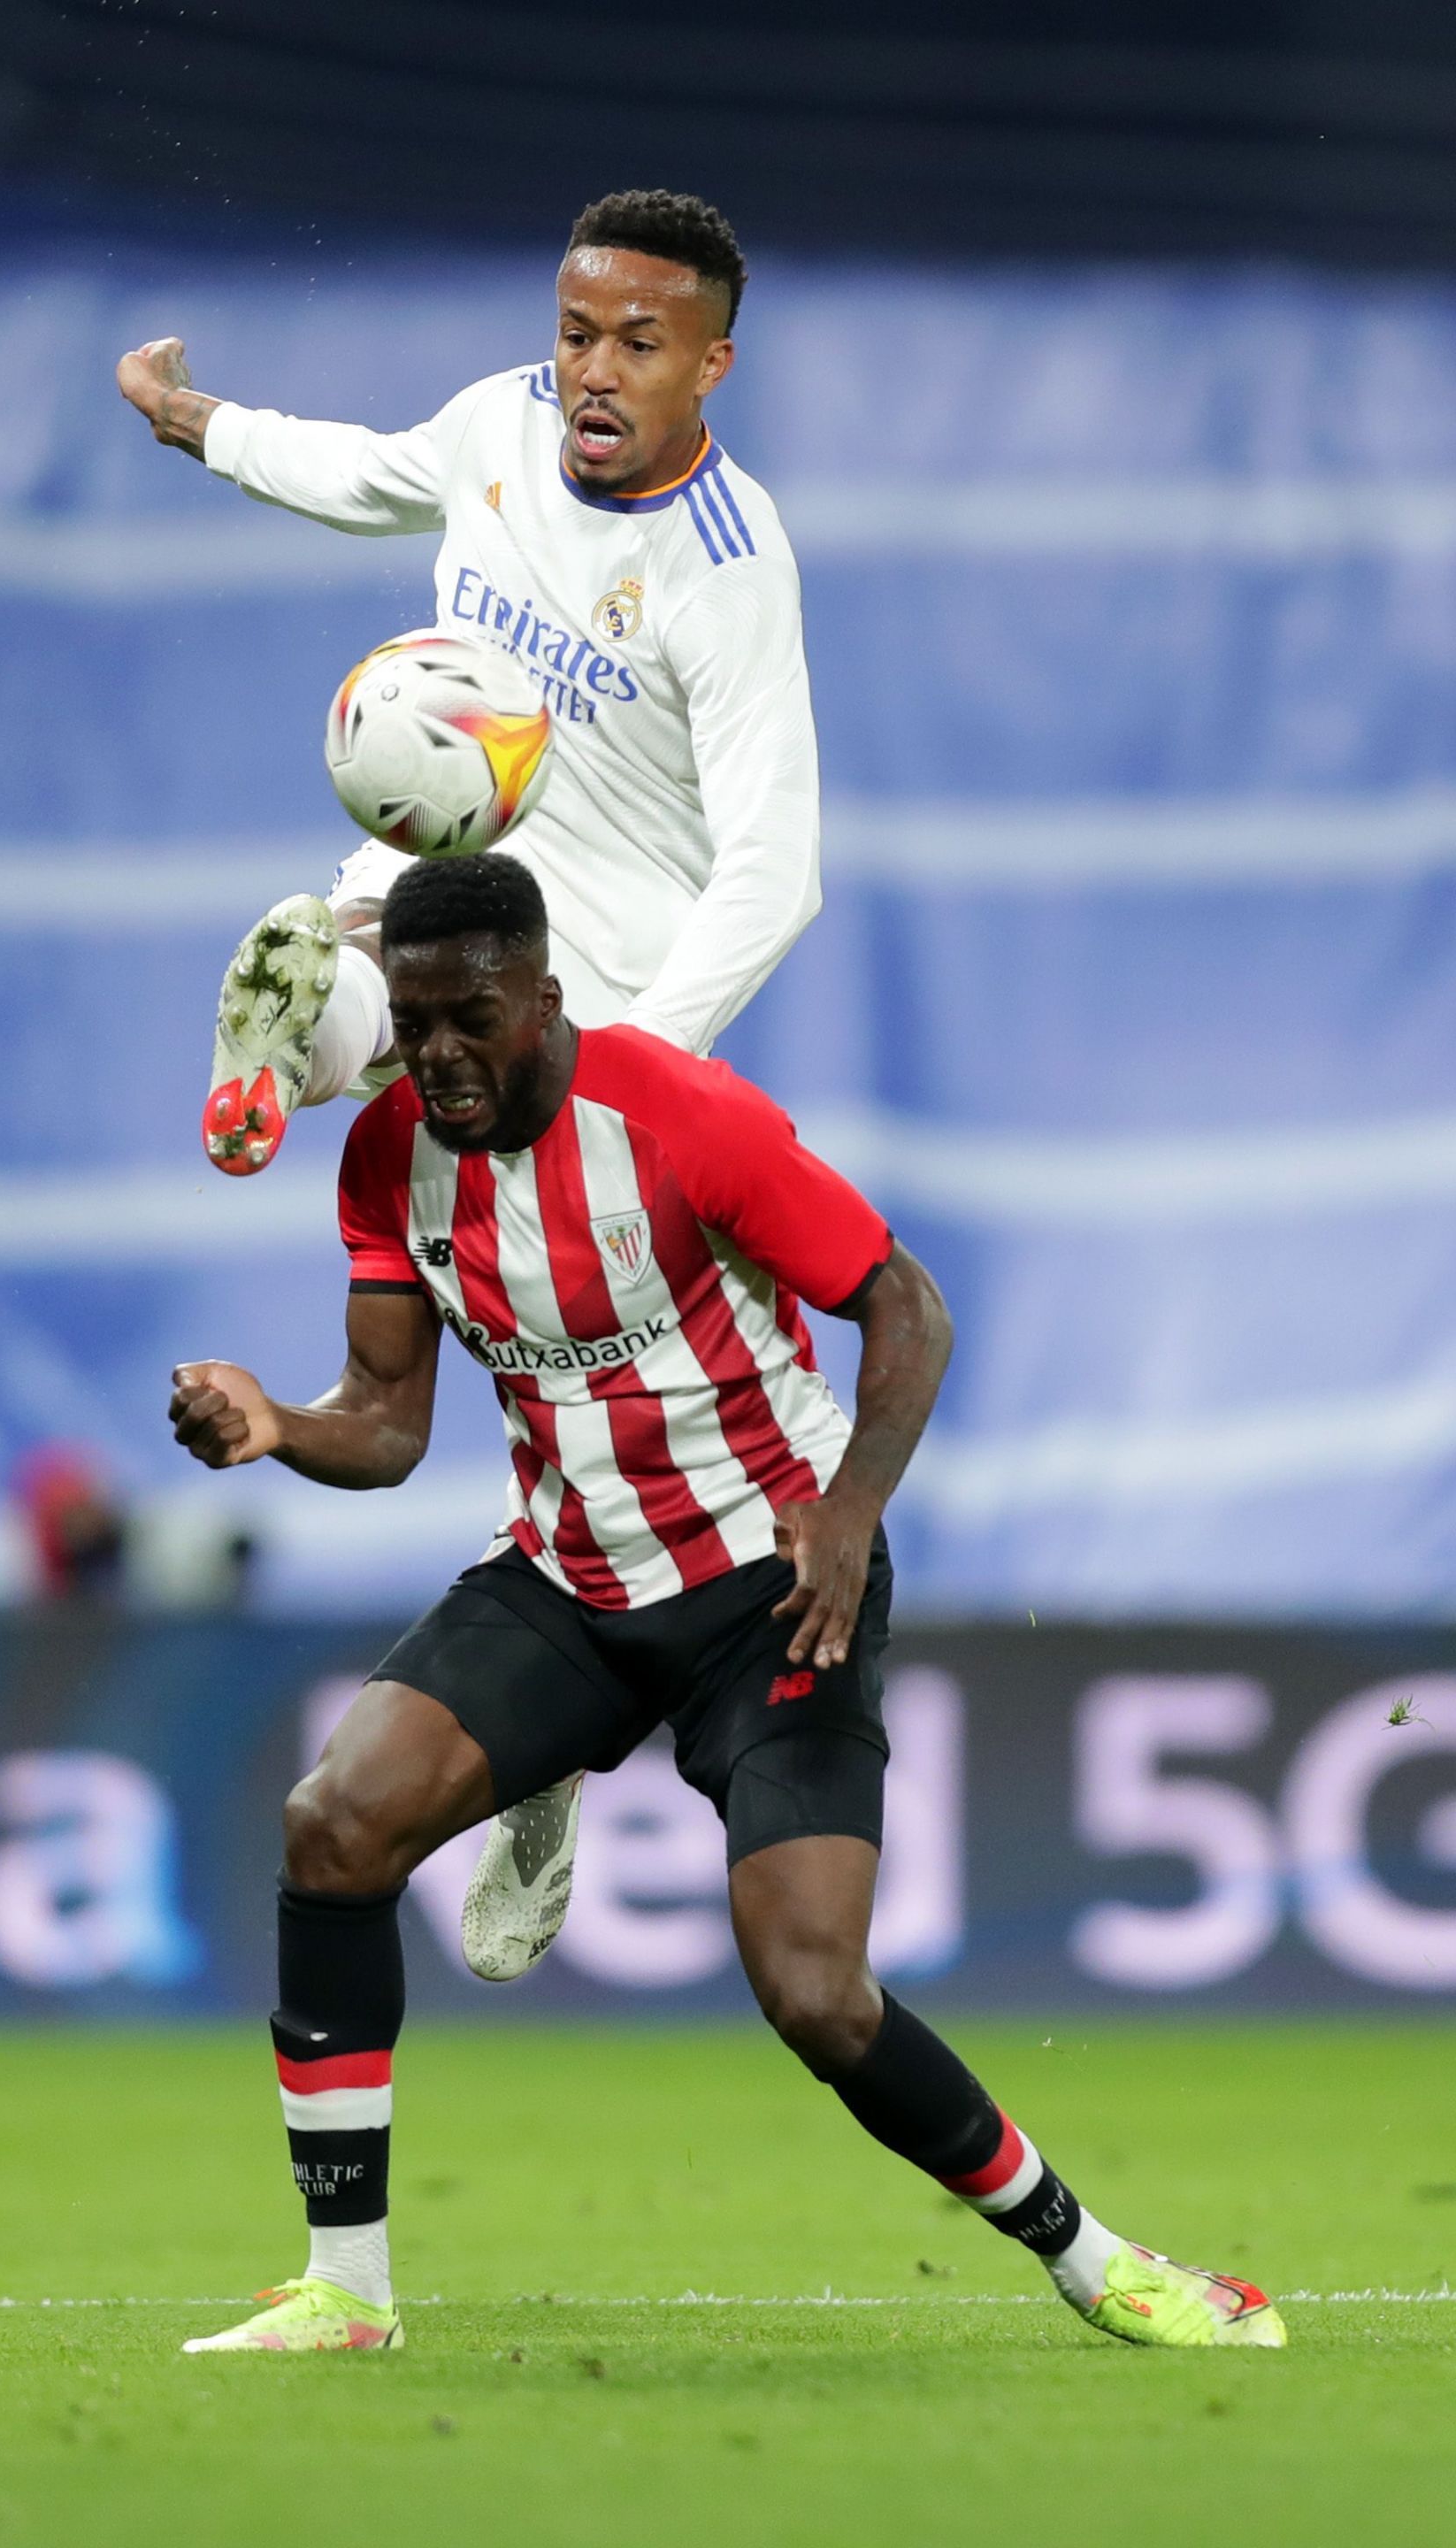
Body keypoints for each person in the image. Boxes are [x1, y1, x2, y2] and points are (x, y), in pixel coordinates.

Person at [165, 855, 1286, 2359]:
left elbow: (906, 1303)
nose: (435, 1058)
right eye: (411, 1025)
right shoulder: (387, 1156)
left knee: (817, 1992)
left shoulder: (683, 1117)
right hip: (568, 1583)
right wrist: (274, 1426)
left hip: (775, 1589)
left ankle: (1097, 2259)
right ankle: (346, 2296)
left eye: (468, 1021)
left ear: (545, 1002)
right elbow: (383, 1419)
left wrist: (852, 1516)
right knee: (331, 1824)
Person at [118, 187, 823, 1982]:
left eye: (638, 345)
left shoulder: (732, 572)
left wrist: (650, 1069)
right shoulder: (499, 422)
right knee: (360, 961)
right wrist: (207, 429)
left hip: (605, 1023)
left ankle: (544, 1767)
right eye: (580, 330)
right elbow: (365, 474)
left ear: (711, 366)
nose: (593, 369)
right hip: (453, 936)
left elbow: (775, 866)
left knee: (591, 1411)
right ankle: (299, 1040)